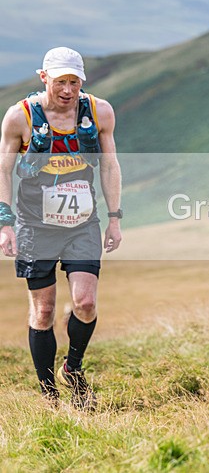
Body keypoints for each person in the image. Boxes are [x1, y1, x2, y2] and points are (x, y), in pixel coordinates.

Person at [0, 47, 123, 409]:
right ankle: (49, 394)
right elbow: (3, 170)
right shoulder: (19, 117)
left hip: (82, 222)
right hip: (35, 225)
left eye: (74, 82)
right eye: (60, 82)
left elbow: (110, 165)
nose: (68, 90)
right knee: (43, 312)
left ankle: (73, 367)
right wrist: (5, 223)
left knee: (85, 303)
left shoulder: (99, 112)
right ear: (44, 78)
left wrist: (114, 218)